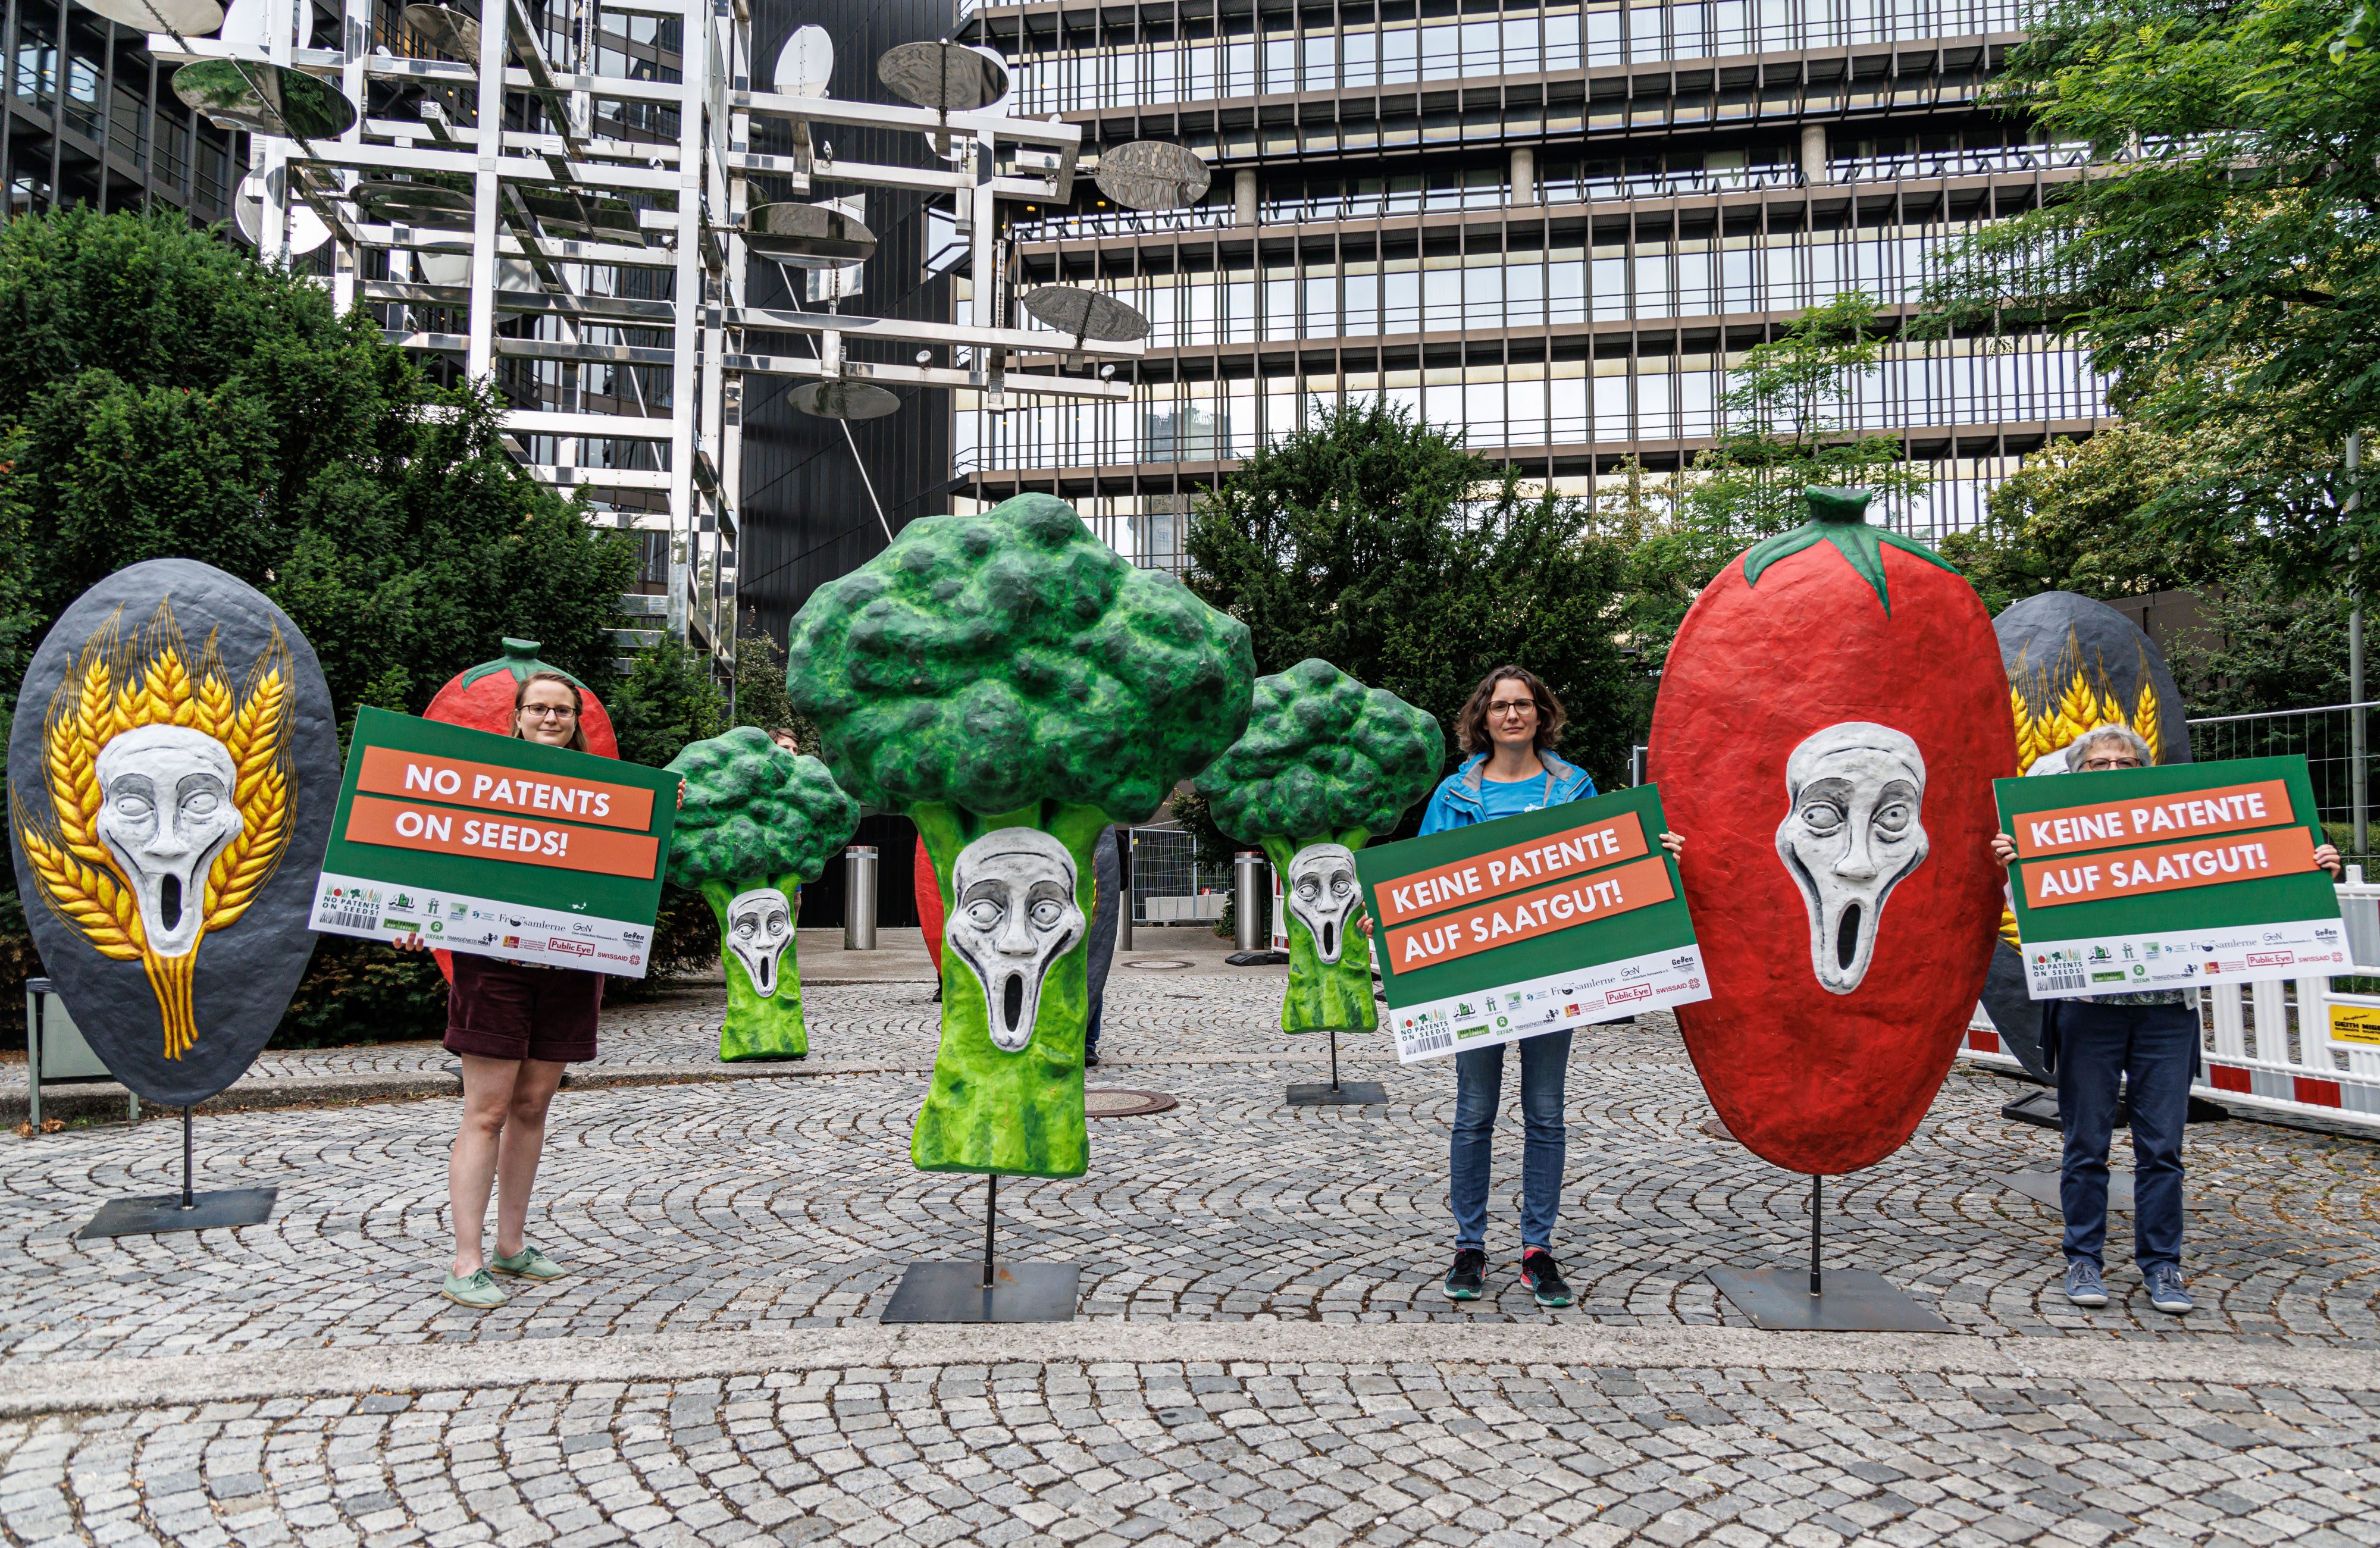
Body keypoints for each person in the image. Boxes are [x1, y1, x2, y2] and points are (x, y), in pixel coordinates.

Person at [1990, 723, 2342, 1316]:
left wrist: (2314, 866)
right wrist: (2014, 864)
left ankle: (2163, 1266)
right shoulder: (2048, 838)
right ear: (2075, 777)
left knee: (2162, 1149)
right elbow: (2019, 907)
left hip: (2165, 1016)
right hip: (2087, 1014)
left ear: (2146, 775)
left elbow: (2250, 872)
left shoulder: (2180, 833)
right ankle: (2083, 1257)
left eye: (2124, 765)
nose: (2110, 774)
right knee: (2086, 1143)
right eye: (2097, 765)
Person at [1408, 665, 1683, 1310]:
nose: (1511, 715)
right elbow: (1420, 882)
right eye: (1499, 705)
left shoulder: (1573, 786)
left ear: (1540, 713)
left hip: (1550, 979)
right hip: (1475, 982)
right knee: (1473, 1115)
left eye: (1522, 704)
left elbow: (1606, 863)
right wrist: (1385, 916)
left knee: (1545, 1115)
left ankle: (1537, 1249)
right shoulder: (1454, 794)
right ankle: (1469, 1247)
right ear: (1482, 718)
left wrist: (1656, 851)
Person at [402, 671, 612, 1310]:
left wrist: (666, 805)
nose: (550, 718)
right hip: (492, 966)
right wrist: (413, 914)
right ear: (516, 716)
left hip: (571, 967)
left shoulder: (603, 792)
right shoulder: (479, 782)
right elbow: (434, 850)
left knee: (532, 1106)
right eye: (538, 708)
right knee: (487, 1110)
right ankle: (466, 1259)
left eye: (562, 710)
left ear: (577, 720)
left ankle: (511, 1244)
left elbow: (629, 862)